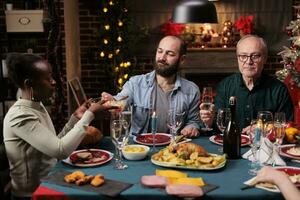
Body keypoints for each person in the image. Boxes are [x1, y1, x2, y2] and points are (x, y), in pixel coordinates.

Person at [3, 53, 113, 199]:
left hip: (52, 182)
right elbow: (61, 151)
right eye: (48, 78)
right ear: (29, 84)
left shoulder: (37, 106)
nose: (54, 82)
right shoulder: (20, 116)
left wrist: (75, 118)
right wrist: (89, 115)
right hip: (33, 195)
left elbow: (53, 146)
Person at [102, 35, 200, 137]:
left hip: (172, 149)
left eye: (170, 54)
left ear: (182, 59)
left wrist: (192, 127)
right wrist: (112, 101)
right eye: (160, 51)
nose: (162, 58)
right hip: (140, 148)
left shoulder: (192, 90)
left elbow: (194, 121)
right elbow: (120, 101)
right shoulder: (135, 83)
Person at [200, 35, 294, 133]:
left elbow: (288, 126)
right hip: (231, 145)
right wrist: (210, 121)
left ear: (265, 58)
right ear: (237, 58)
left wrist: (264, 129)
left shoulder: (279, 90)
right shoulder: (224, 86)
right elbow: (218, 124)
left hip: (264, 146)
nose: (249, 61)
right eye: (243, 56)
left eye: (255, 56)